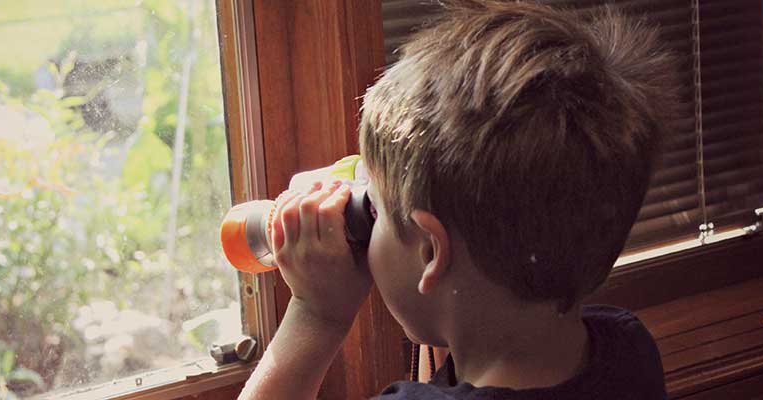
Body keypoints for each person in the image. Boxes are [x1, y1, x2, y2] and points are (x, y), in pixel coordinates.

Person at [238, 0, 680, 399]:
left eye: (376, 213)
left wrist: (316, 315)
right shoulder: (626, 349)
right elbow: (467, 294)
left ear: (432, 251)